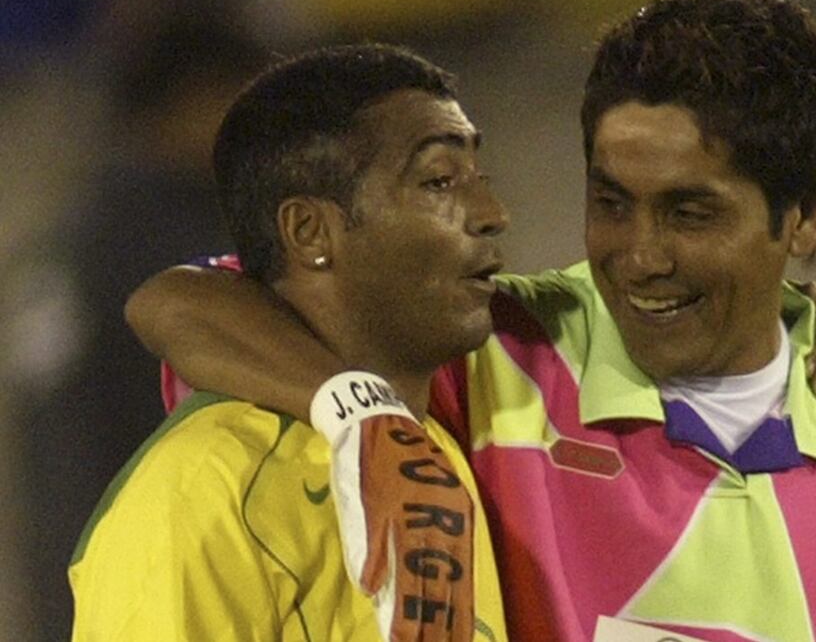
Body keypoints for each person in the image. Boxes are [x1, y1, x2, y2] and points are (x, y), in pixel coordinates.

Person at [126, 0, 816, 642]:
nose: (640, 255)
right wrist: (360, 410)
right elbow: (181, 301)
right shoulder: (499, 351)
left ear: (807, 216)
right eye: (611, 202)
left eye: (691, 213)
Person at [69, 44, 510, 641]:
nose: (492, 213)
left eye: (480, 179)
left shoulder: (435, 455)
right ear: (309, 232)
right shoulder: (204, 485)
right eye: (438, 181)